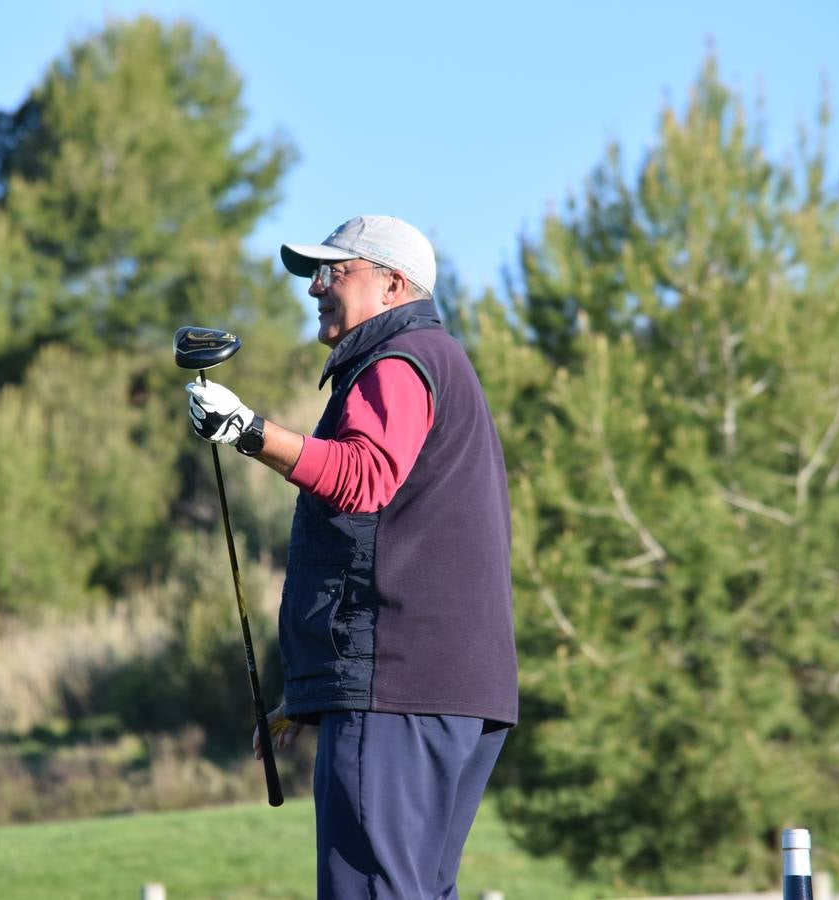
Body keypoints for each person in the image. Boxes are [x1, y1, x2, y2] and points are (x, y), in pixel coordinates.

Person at [185, 214, 518, 899]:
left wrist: (248, 431)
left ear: (394, 284)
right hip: (449, 693)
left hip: (397, 692)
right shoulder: (437, 361)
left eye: (334, 272)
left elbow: (364, 478)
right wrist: (311, 690)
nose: (315, 288)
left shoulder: (398, 362)